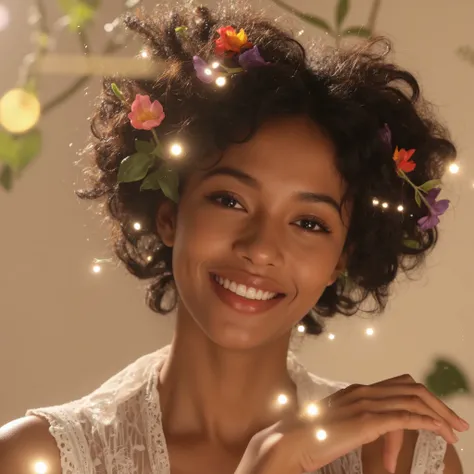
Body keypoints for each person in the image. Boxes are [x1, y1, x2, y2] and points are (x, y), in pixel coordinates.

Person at [0, 3, 469, 474]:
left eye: (309, 223)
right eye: (230, 200)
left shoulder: (401, 459)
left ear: (341, 260)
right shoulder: (41, 459)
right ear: (170, 215)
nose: (261, 248)